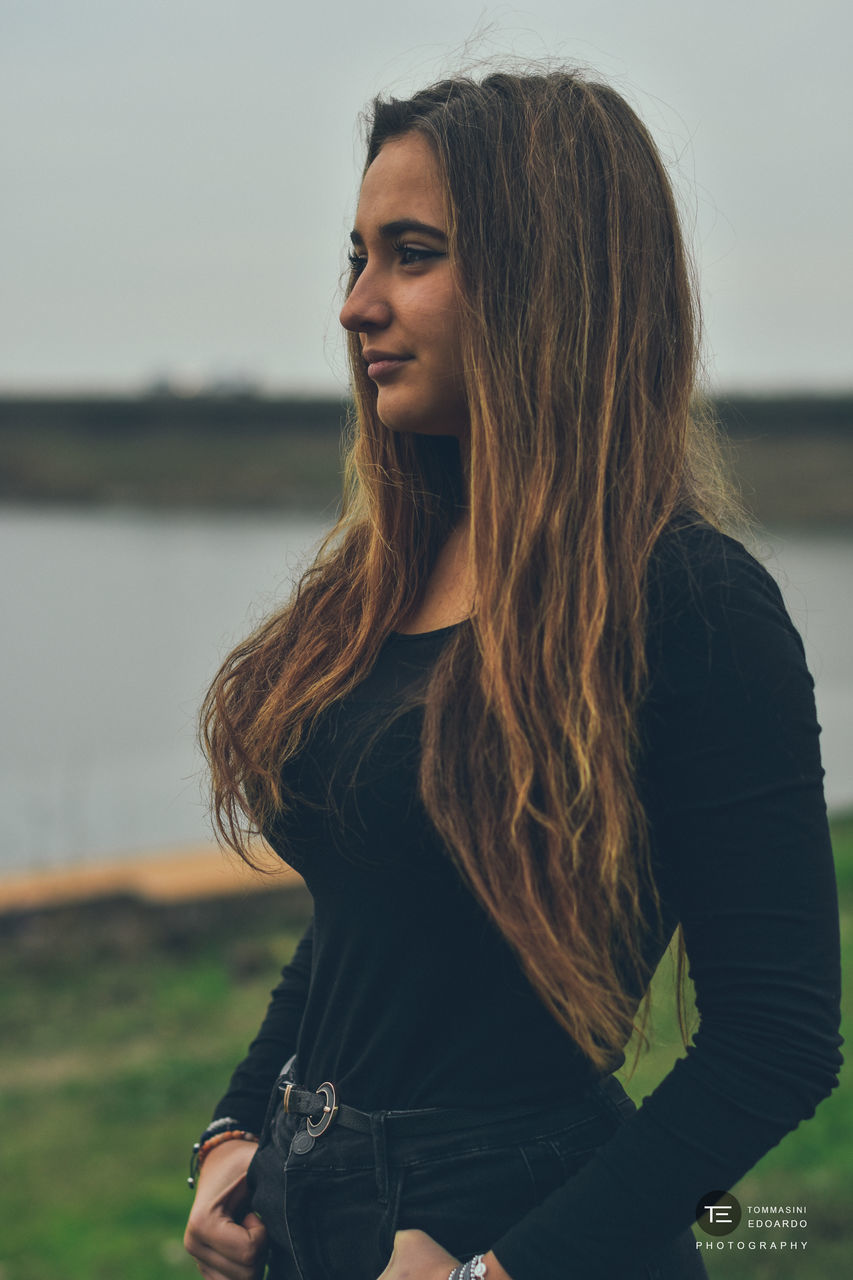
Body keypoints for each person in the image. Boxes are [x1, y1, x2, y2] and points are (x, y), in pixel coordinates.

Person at [183, 69, 842, 1280]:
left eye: (412, 254)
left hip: (507, 1222)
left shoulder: (690, 605)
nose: (355, 305)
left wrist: (500, 1273)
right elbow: (364, 914)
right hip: (307, 1207)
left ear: (551, 283)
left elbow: (777, 1038)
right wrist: (233, 1128)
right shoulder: (384, 577)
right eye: (356, 256)